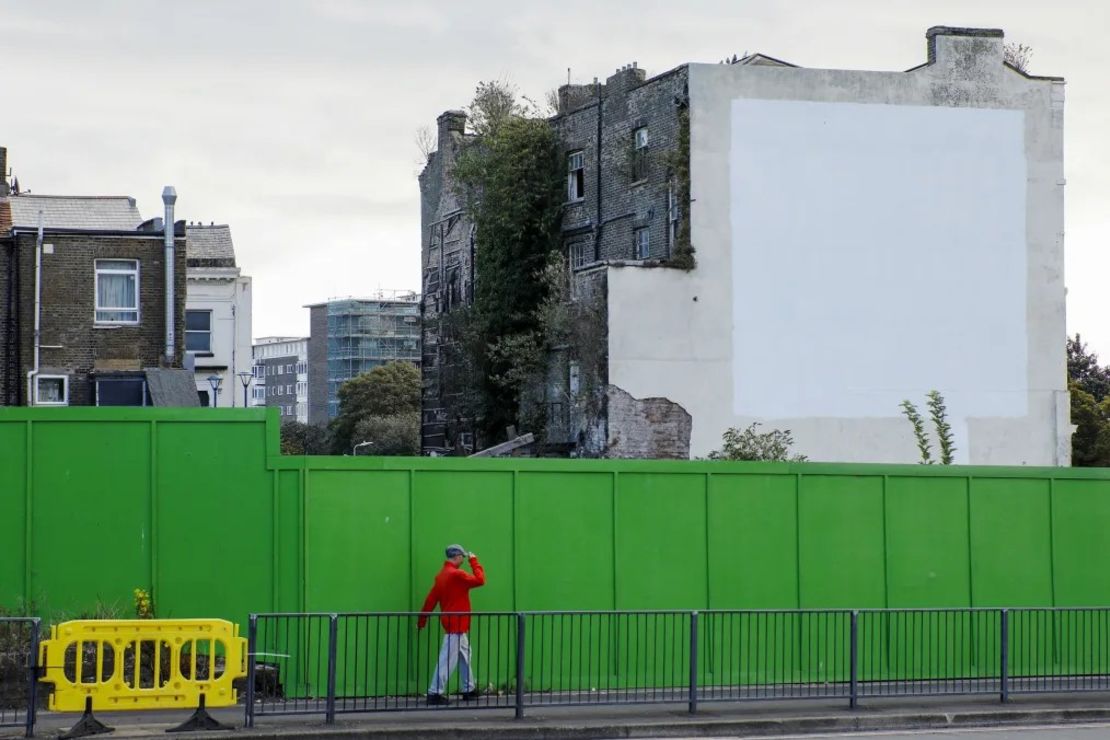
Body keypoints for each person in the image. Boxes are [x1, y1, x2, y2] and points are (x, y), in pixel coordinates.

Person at [417, 544, 486, 705]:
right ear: (457, 557)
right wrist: (474, 561)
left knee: (465, 655)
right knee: (447, 659)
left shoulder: (441, 576)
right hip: (457, 623)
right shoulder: (457, 575)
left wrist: (422, 620)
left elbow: (431, 600)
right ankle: (434, 692)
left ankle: (468, 689)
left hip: (454, 623)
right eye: (463, 556)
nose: (464, 558)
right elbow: (480, 580)